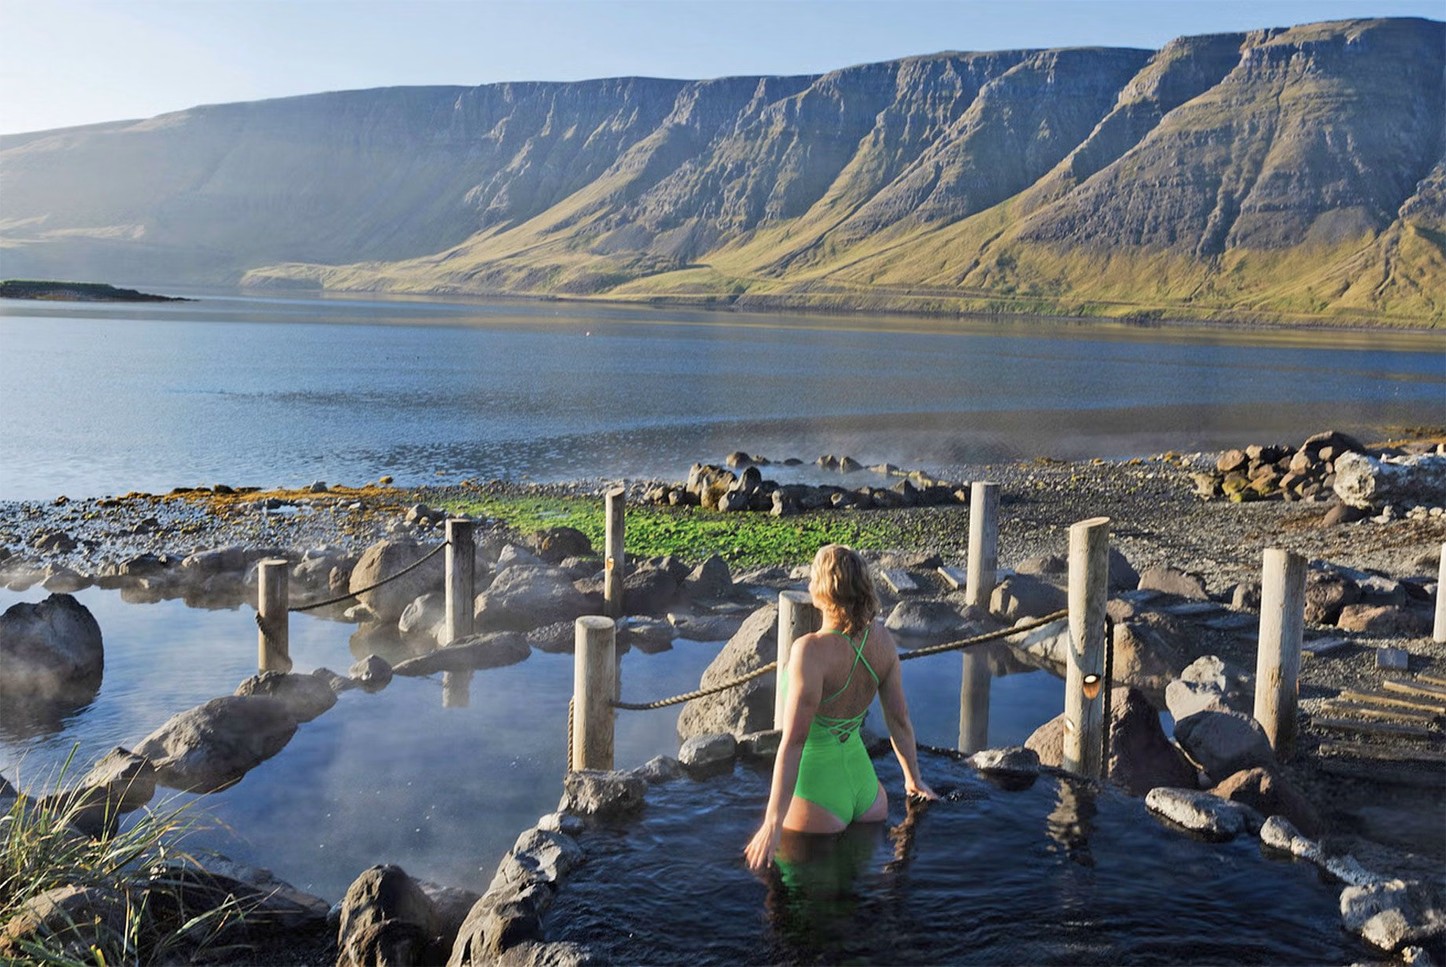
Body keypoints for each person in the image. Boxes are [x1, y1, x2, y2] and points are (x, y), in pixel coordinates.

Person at [745, 543, 937, 873]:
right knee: (854, 890)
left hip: (817, 795)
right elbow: (899, 719)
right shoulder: (882, 639)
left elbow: (793, 742)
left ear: (821, 590)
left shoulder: (809, 651)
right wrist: (913, 779)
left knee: (799, 907)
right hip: (868, 794)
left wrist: (772, 823)